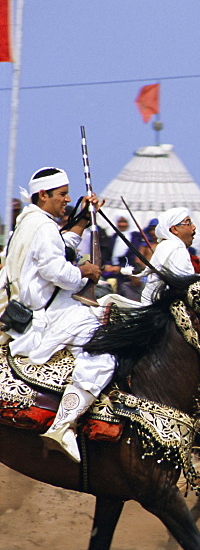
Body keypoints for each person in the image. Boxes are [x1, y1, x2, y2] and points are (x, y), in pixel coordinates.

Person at [2, 167, 116, 463]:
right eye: (62, 194)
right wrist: (84, 272)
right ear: (44, 195)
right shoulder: (43, 227)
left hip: (31, 310)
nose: (67, 199)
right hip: (45, 316)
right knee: (103, 351)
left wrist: (80, 221)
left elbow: (58, 248)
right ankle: (63, 425)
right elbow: (58, 272)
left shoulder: (30, 223)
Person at [134, 207, 200, 303]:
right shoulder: (177, 249)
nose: (194, 227)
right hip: (165, 306)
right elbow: (185, 285)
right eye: (188, 223)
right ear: (175, 229)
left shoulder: (165, 246)